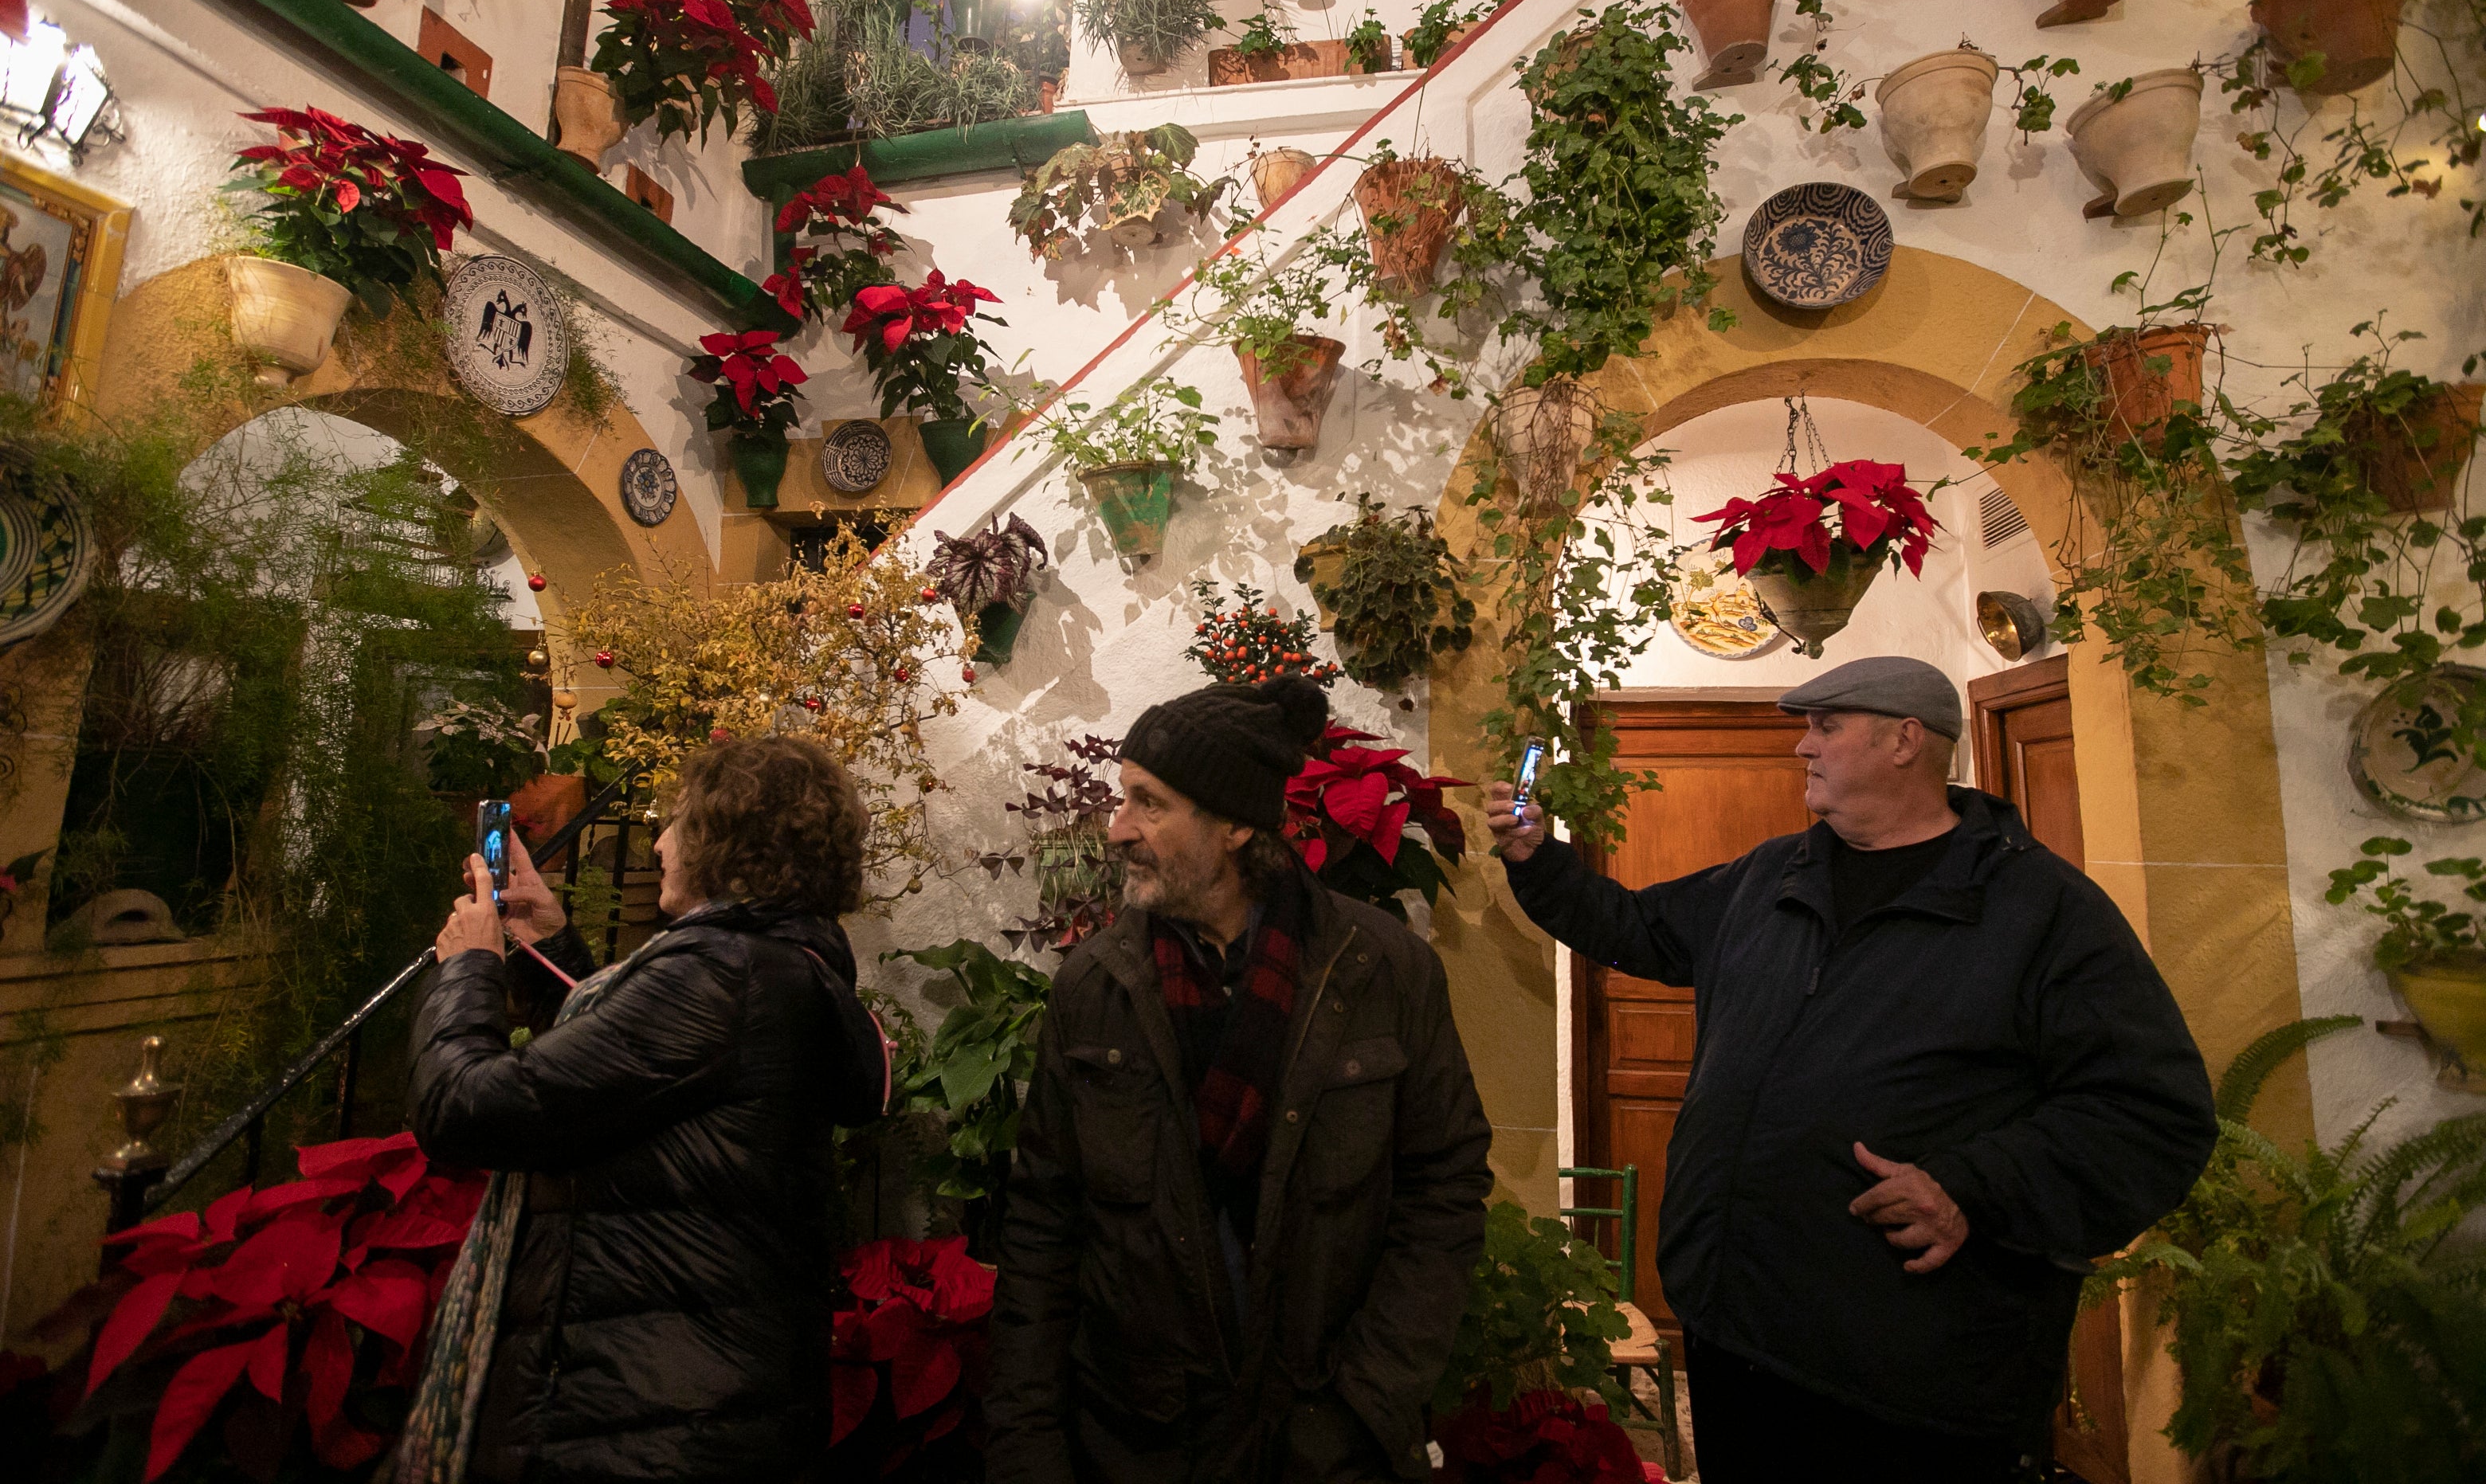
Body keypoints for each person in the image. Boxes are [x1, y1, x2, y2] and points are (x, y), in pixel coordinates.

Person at [1485, 656, 2218, 1482]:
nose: (1804, 748)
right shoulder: (1773, 875)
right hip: (1738, 1331)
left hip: (1909, 1370)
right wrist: (1538, 859)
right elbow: (1639, 927)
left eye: (1826, 726)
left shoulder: (2041, 910)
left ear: (1906, 739)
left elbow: (2154, 1113)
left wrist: (1972, 1185)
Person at [988, 678, 1493, 1484]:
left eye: (1148, 803)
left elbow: (1444, 1193)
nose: (1117, 830)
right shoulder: (1096, 987)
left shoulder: (1381, 972)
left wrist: (1369, 1400)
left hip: (1328, 1442)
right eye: (1122, 799)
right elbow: (1044, 1224)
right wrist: (1025, 1445)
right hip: (1137, 1445)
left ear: (1233, 825)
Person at [400, 736, 889, 1484]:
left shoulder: (720, 973)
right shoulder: (777, 965)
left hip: (639, 1419)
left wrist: (469, 968)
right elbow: (636, 1084)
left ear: (725, 845)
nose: (659, 842)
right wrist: (547, 940)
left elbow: (465, 1109)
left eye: (676, 824)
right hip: (683, 1396)